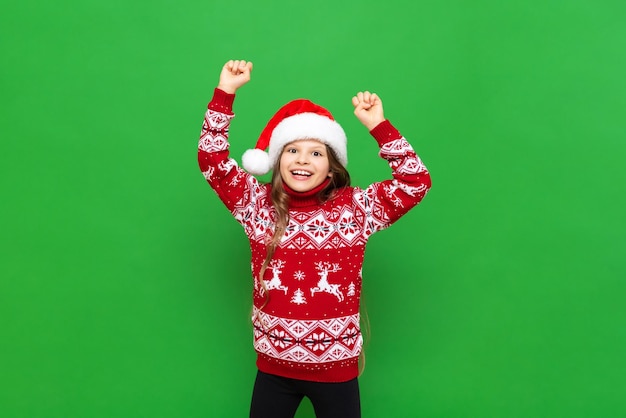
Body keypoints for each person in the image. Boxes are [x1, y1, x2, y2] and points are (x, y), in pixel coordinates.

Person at [197, 59, 432, 418]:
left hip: (336, 373)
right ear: (276, 160)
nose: (302, 160)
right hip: (273, 371)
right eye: (292, 150)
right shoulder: (255, 205)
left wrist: (379, 127)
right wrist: (225, 93)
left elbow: (416, 182)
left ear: (332, 165)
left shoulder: (356, 210)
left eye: (316, 152)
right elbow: (211, 159)